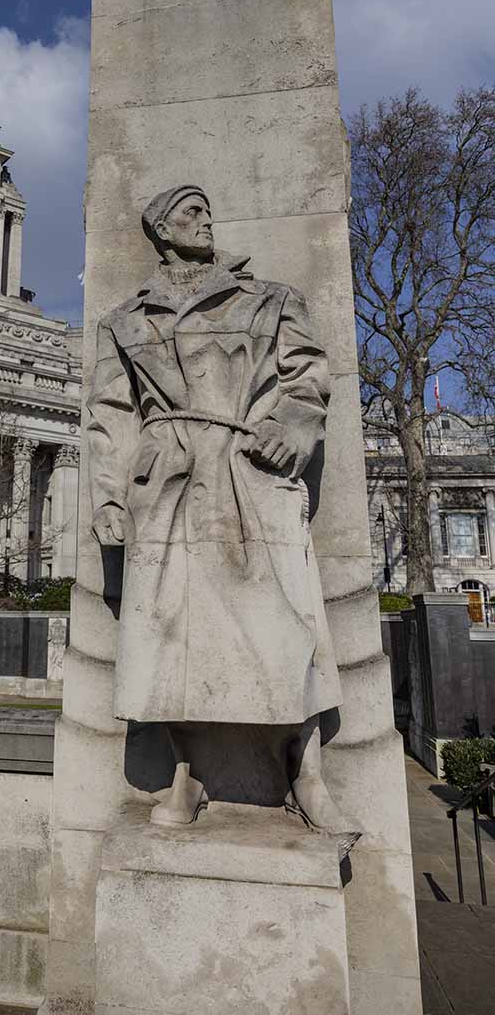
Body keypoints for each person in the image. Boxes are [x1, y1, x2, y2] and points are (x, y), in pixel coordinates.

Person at [88, 184, 354, 838]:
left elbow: (308, 374)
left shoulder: (269, 299)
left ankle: (306, 773)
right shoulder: (125, 321)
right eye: (189, 213)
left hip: (251, 473)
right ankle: (187, 773)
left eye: (208, 211)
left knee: (288, 627)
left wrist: (295, 423)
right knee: (168, 636)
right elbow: (110, 417)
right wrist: (111, 496)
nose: (205, 221)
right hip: (169, 483)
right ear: (160, 228)